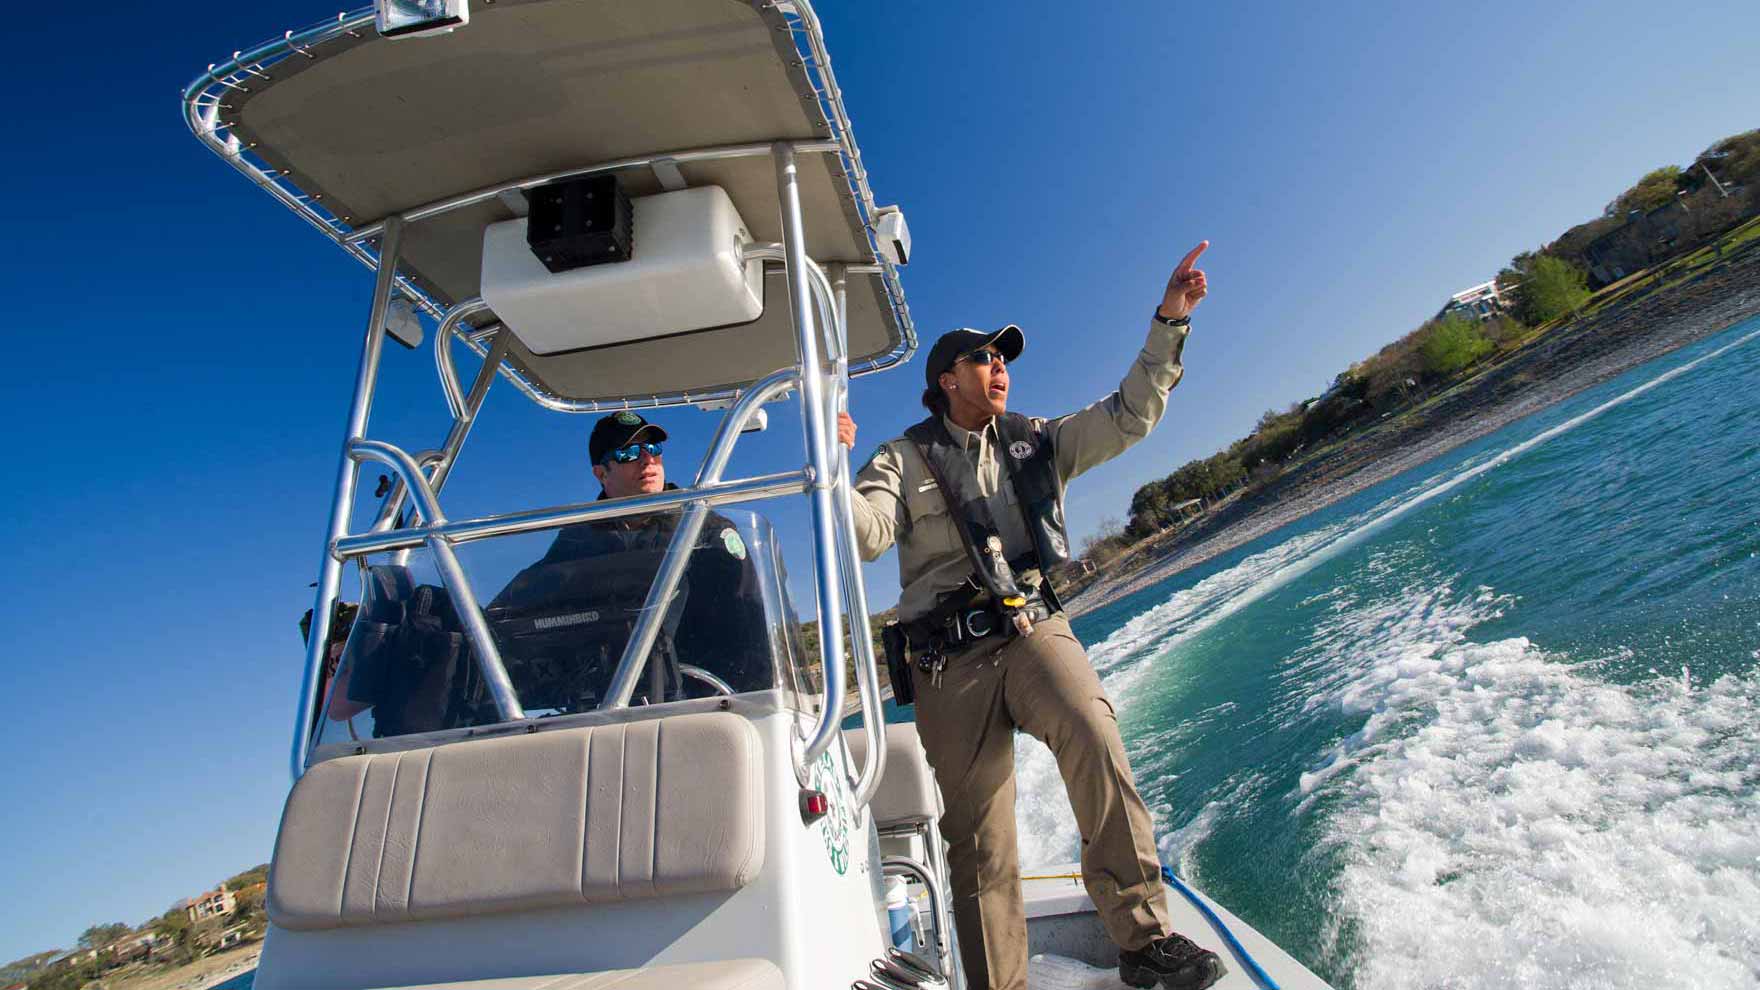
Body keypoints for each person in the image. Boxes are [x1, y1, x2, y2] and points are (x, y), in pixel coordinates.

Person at [838, 244, 1222, 990]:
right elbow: (868, 531)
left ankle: (1142, 941)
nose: (1000, 367)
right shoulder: (899, 459)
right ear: (947, 379)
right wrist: (828, 466)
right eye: (983, 358)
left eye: (1003, 357)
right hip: (947, 663)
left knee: (1092, 729)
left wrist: (1170, 320)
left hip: (1030, 627)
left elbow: (1128, 412)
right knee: (981, 843)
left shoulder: (1039, 439)